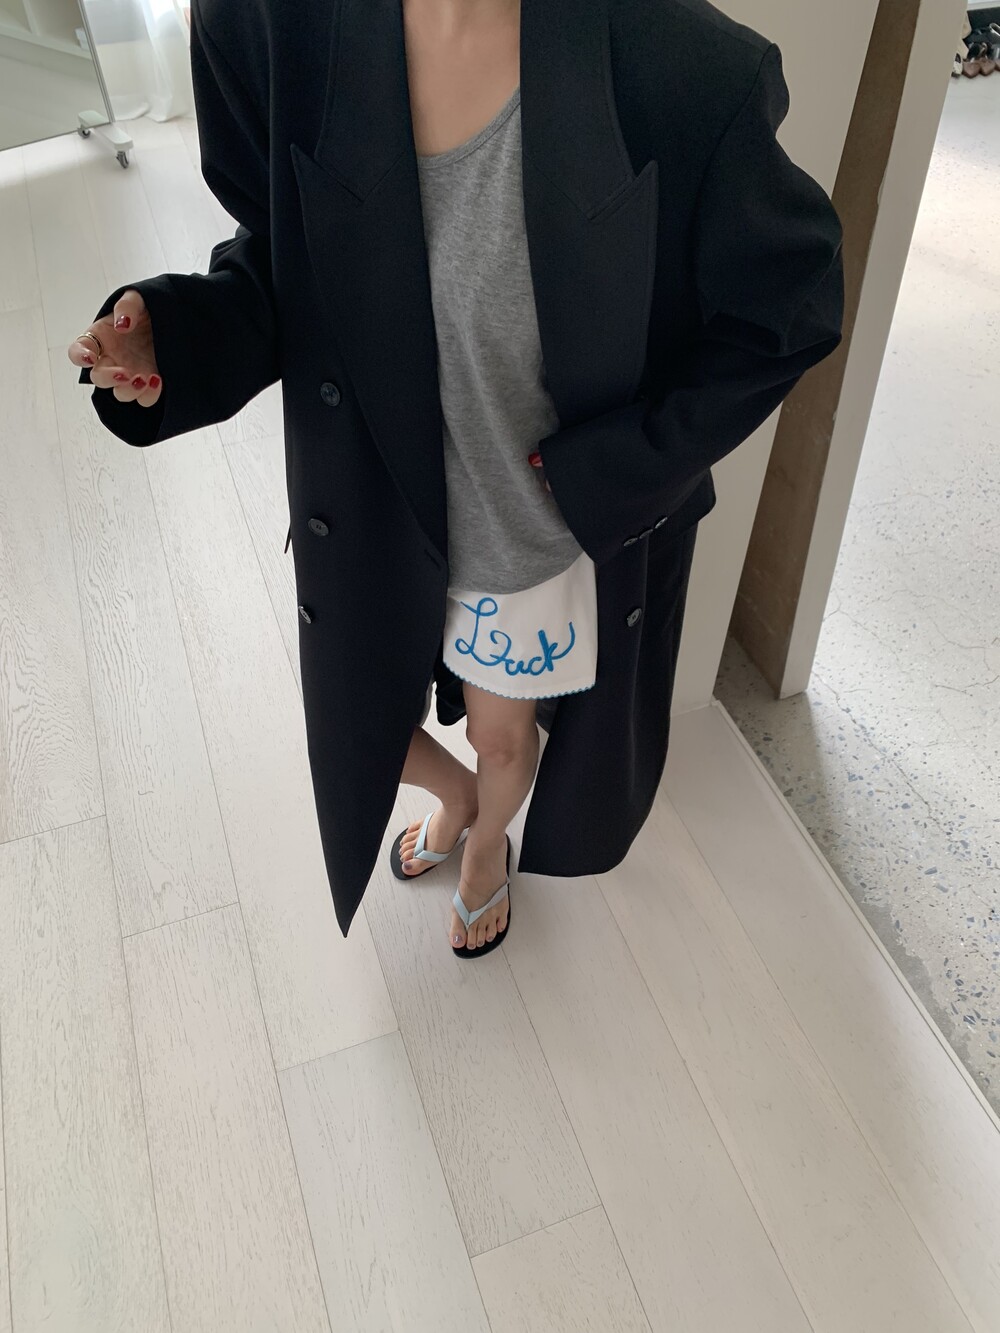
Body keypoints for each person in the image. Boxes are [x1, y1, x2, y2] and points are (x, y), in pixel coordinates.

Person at [67, 0, 845, 959]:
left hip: (524, 524)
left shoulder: (678, 65)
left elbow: (791, 303)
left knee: (503, 735)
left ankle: (484, 847)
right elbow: (284, 260)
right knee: (364, 724)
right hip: (374, 504)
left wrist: (616, 469)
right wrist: (179, 340)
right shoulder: (269, 27)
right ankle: (459, 797)